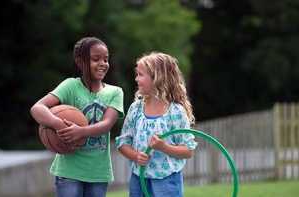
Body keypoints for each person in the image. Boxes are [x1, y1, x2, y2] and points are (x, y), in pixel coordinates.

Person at [30, 37, 124, 197]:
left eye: (106, 59)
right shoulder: (70, 86)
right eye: (96, 59)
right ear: (80, 62)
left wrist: (81, 132)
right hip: (69, 171)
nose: (103, 63)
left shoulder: (115, 92)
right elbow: (37, 108)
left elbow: (107, 124)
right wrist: (58, 124)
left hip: (98, 172)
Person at [115, 52, 197, 197]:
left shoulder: (175, 112)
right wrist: (135, 156)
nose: (136, 79)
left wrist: (163, 147)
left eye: (140, 75)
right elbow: (123, 143)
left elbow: (188, 150)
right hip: (139, 178)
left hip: (167, 180)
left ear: (157, 78)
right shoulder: (136, 108)